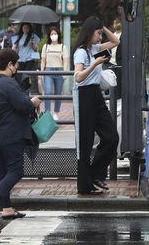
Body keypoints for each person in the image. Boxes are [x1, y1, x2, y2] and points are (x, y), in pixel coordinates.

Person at [0, 48, 41, 220]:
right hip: (11, 134)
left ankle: (6, 208)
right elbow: (23, 105)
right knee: (16, 170)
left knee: (2, 172)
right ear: (10, 65)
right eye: (16, 64)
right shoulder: (8, 83)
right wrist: (33, 102)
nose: (17, 67)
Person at [71, 16, 120, 195]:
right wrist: (95, 64)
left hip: (96, 96)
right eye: (98, 33)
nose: (100, 37)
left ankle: (95, 174)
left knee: (112, 137)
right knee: (85, 142)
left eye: (100, 33)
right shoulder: (82, 52)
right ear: (89, 32)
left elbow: (116, 41)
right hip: (84, 96)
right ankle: (85, 186)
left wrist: (103, 26)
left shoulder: (96, 48)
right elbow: (78, 77)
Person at [40, 27, 68, 120]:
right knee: (47, 92)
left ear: (58, 35)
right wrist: (41, 71)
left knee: (58, 93)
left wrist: (64, 72)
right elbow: (43, 60)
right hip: (48, 70)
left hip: (59, 70)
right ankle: (47, 113)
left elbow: (65, 60)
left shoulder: (62, 46)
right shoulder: (46, 46)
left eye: (55, 34)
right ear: (49, 36)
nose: (53, 36)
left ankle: (56, 112)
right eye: (51, 34)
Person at [12, 23, 40, 93]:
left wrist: (33, 43)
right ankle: (20, 91)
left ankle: (26, 91)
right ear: (22, 28)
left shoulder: (33, 36)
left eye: (27, 28)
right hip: (20, 59)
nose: (25, 30)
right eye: (24, 28)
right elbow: (14, 47)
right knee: (18, 76)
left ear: (30, 28)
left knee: (26, 76)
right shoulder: (18, 37)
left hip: (29, 59)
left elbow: (35, 49)